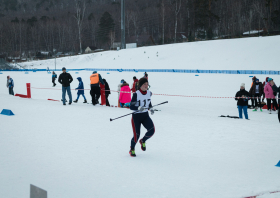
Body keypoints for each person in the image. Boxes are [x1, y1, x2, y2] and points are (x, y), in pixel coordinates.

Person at [129, 77, 155, 157]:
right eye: (144, 84)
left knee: (152, 131)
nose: (146, 86)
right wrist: (139, 108)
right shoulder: (136, 94)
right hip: (136, 117)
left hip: (145, 116)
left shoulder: (149, 93)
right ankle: (132, 149)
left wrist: (150, 108)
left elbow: (148, 101)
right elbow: (131, 106)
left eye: (147, 84)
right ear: (140, 85)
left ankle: (143, 141)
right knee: (136, 135)